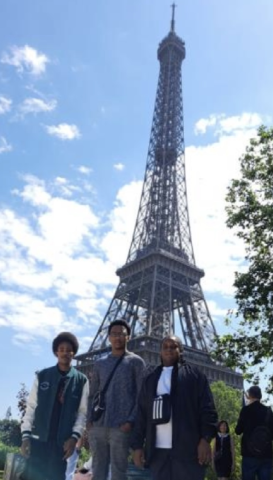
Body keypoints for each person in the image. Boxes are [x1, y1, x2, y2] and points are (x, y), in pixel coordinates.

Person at [131, 334, 218, 480]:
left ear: (181, 350)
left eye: (173, 347)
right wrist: (137, 446)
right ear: (160, 351)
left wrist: (205, 439)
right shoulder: (150, 379)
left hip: (187, 451)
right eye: (165, 347)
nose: (169, 350)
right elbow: (142, 414)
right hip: (158, 452)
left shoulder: (195, 376)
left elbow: (207, 409)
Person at [21, 332, 89, 480]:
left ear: (74, 353)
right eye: (61, 349)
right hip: (38, 439)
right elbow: (31, 407)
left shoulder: (81, 380)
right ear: (56, 352)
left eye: (68, 350)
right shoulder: (42, 375)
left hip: (61, 444)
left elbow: (82, 413)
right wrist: (26, 435)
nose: (65, 353)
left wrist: (73, 438)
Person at [87, 319, 145, 480]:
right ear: (109, 337)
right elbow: (92, 394)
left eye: (121, 334)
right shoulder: (100, 363)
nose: (117, 337)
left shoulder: (136, 362)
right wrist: (89, 421)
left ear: (128, 337)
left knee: (119, 472)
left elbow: (141, 396)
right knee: (97, 470)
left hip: (121, 427)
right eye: (114, 334)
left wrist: (130, 422)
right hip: (98, 425)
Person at [235, 385, 273, 480]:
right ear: (260, 396)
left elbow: (238, 431)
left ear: (250, 396)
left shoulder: (246, 410)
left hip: (249, 454)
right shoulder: (268, 411)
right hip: (266, 453)